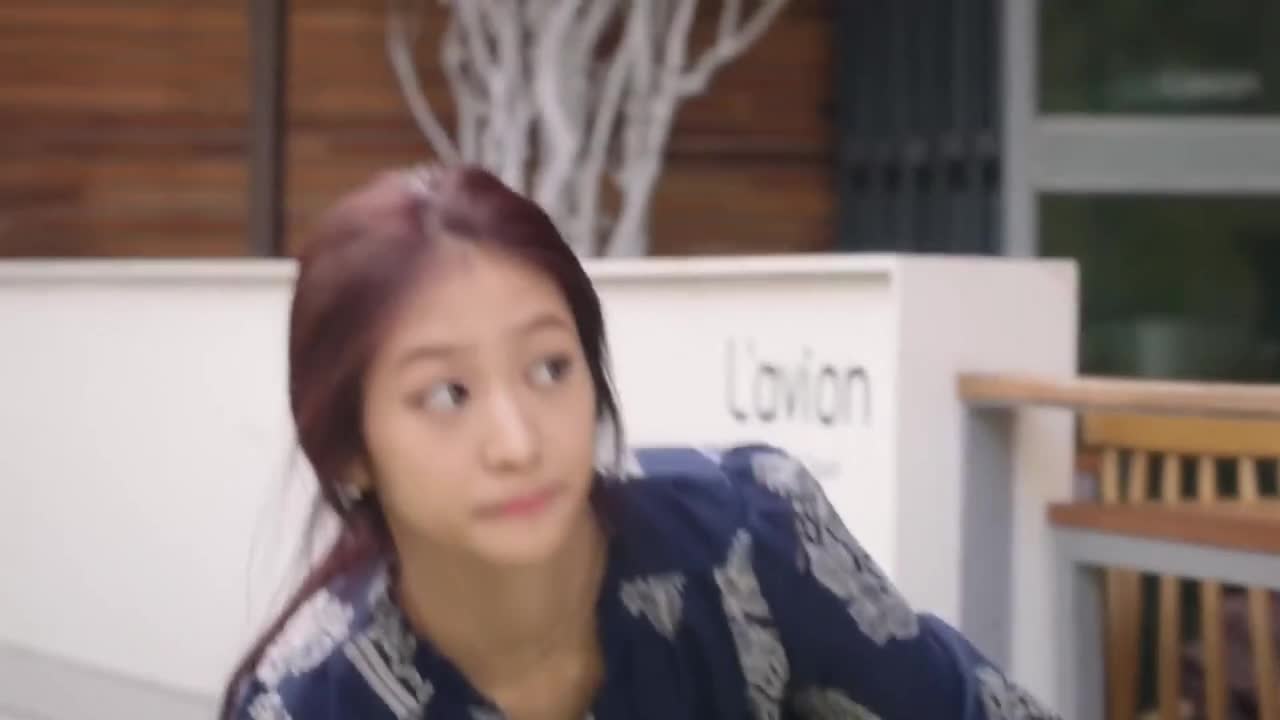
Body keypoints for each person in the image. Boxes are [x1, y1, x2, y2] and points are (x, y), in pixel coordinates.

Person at [222, 164, 1059, 720]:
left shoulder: (745, 540)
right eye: (448, 395)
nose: (516, 442)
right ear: (350, 450)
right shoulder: (308, 704)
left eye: (550, 368)